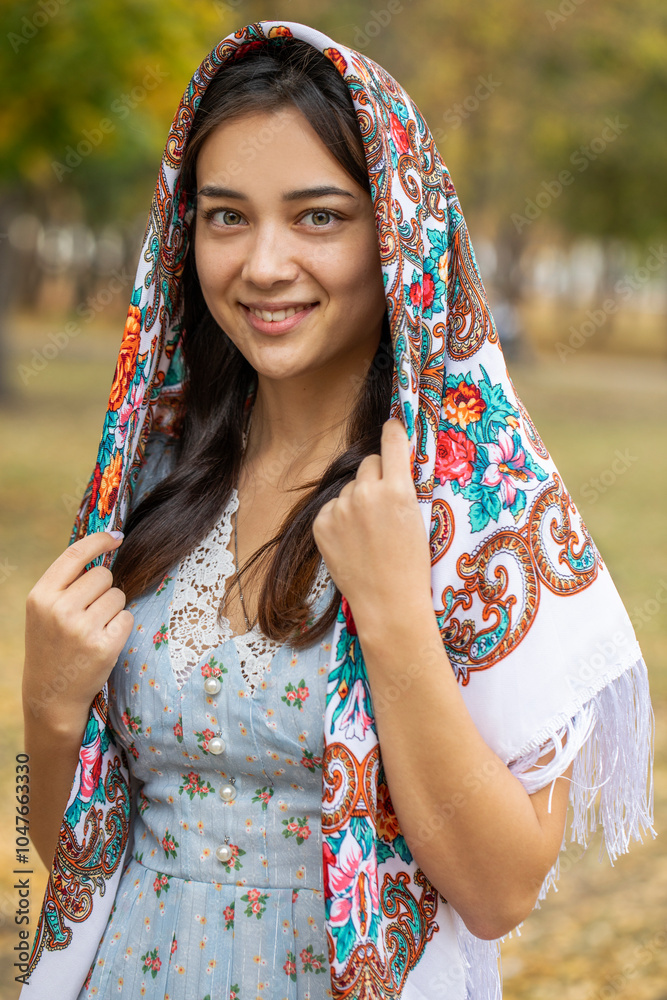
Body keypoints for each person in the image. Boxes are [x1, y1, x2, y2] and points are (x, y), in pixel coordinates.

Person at [21, 21, 654, 1000]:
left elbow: (498, 891)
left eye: (317, 216)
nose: (262, 264)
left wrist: (395, 612)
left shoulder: (469, 505)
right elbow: (77, 856)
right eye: (226, 217)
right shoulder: (158, 476)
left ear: (398, 233)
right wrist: (49, 709)